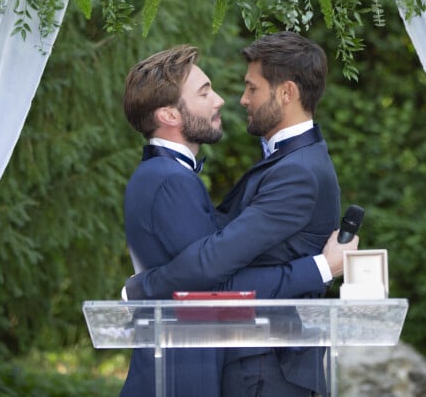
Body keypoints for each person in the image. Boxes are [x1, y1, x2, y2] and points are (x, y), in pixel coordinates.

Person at [120, 42, 357, 397]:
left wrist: (143, 287)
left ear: (287, 92)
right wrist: (323, 266)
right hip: (248, 363)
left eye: (252, 88)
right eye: (205, 92)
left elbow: (214, 274)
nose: (233, 100)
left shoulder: (298, 170)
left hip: (270, 363)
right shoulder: (170, 177)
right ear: (169, 115)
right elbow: (212, 276)